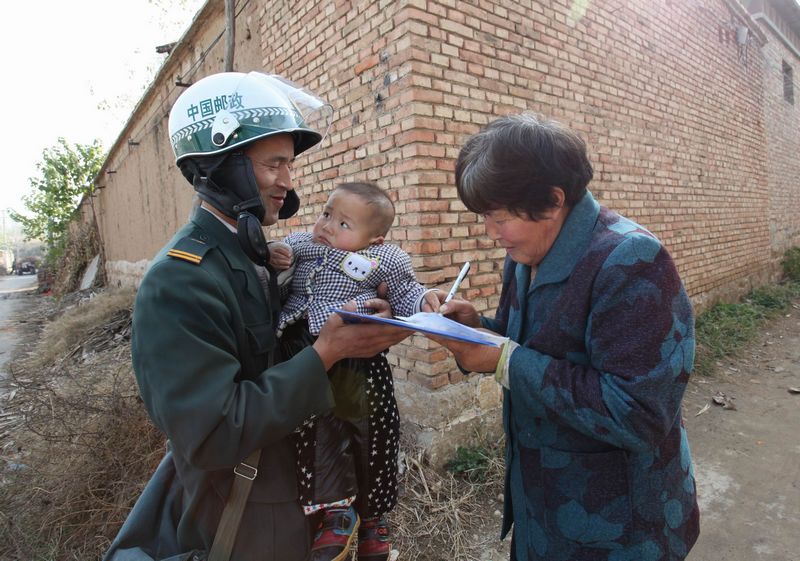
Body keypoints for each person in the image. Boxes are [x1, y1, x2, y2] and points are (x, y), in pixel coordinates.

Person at [103, 72, 411, 561]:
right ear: (223, 166)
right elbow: (212, 432)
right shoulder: (182, 279)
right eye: (275, 164)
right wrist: (325, 354)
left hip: (301, 495)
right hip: (245, 519)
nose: (289, 181)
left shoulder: (256, 255)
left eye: (288, 165)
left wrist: (370, 317)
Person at [429, 114, 700, 561]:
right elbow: (538, 348)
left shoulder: (631, 259)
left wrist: (502, 359)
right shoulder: (524, 256)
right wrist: (476, 328)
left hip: (620, 527)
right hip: (544, 511)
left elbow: (640, 413)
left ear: (553, 200)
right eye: (483, 217)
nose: (490, 234)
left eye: (498, 217)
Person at [269, 181, 441, 561]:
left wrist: (424, 300)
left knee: (375, 432)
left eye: (344, 224)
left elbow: (405, 291)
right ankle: (335, 511)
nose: (328, 226)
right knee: (316, 432)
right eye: (327, 213)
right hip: (306, 353)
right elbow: (273, 255)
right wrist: (273, 254)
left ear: (375, 239)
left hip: (361, 362)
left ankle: (373, 519)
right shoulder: (301, 244)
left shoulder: (388, 260)